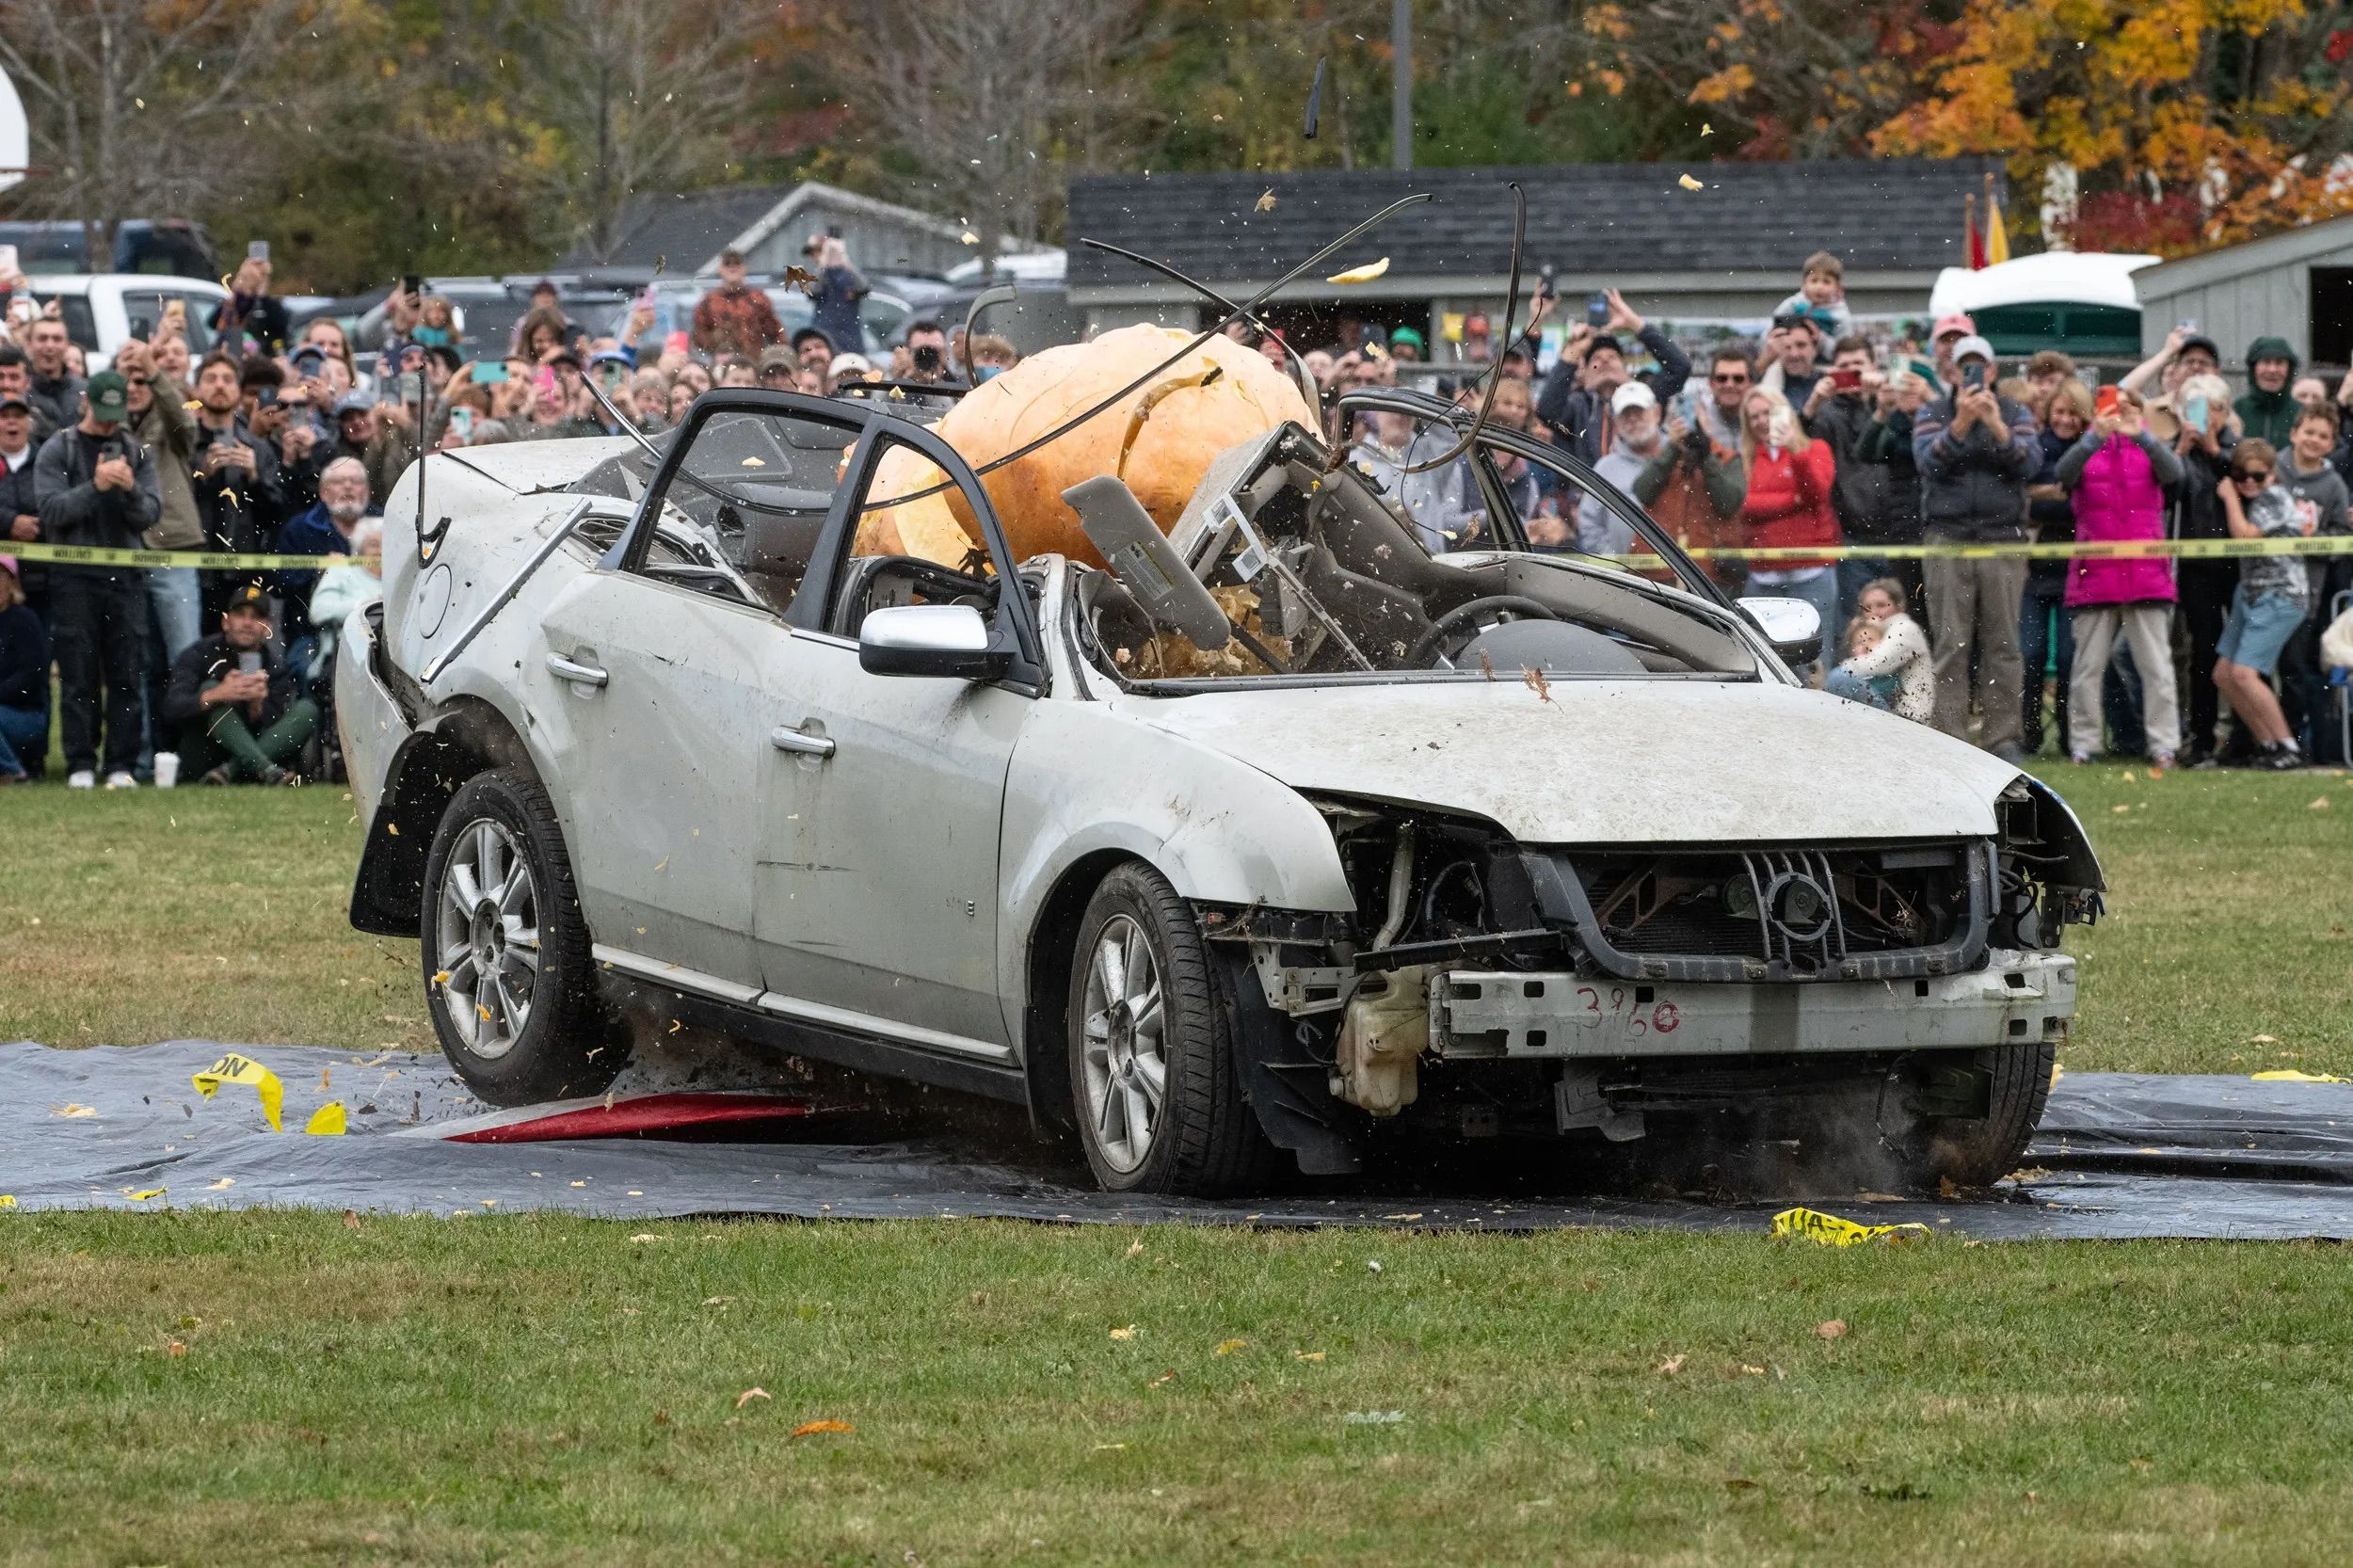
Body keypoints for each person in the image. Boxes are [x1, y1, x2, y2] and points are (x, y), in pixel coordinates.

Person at [1912, 334, 2039, 761]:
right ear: (1951, 371)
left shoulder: (2015, 411)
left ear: (1992, 370)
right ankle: (1950, 732)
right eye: (1963, 365)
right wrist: (1961, 424)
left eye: (1979, 366)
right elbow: (1927, 463)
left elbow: (2032, 464)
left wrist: (1997, 426)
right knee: (1952, 642)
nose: (1972, 374)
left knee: (2003, 643)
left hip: (2003, 538)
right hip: (1948, 537)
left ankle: (2004, 736)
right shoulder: (1933, 411)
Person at [34, 372, 161, 788]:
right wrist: (95, 486)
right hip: (74, 577)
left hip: (125, 577)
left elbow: (150, 514)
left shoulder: (135, 451)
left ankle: (120, 764)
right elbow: (51, 512)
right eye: (102, 414)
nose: (108, 425)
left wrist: (128, 491)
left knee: (126, 673)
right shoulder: (59, 448)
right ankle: (80, 763)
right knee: (78, 674)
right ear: (85, 401)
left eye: (115, 415)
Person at [2057, 388, 2184, 767]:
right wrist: (2095, 436)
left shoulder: (2149, 446)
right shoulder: (2087, 445)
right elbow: (2063, 474)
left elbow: (2174, 474)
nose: (2119, 411)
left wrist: (2140, 433)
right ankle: (2085, 743)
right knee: (2088, 667)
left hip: (2145, 572)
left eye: (2128, 406)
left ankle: (2163, 745)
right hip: (2095, 572)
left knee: (2156, 667)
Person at [2210, 439, 2315, 768]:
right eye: (2242, 474)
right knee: (2223, 674)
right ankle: (2269, 746)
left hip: (2281, 595)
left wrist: (2229, 496)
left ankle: (2288, 747)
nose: (2250, 481)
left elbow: (2244, 536)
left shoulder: (2274, 498)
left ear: (2272, 474)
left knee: (2243, 673)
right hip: (2251, 592)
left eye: (2258, 474)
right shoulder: (2255, 498)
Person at [160, 583, 317, 785]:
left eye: (256, 617)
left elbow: (277, 731)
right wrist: (217, 695)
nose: (247, 623)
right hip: (203, 754)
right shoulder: (199, 653)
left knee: (307, 709)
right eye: (240, 614)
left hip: (250, 756)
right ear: (226, 622)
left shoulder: (274, 666)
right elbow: (171, 708)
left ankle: (231, 771)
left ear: (268, 627)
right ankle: (265, 769)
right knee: (211, 690)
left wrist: (256, 708)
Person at [2165, 372, 2241, 763]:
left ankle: (2245, 739)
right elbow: (2164, 488)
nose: (2203, 416)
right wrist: (2181, 449)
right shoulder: (2175, 450)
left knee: (2243, 653)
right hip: (2195, 565)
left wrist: (2213, 450)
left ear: (2224, 412)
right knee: (2204, 651)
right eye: (2195, 407)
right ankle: (2202, 738)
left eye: (2212, 408)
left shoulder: (2236, 447)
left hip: (2238, 563)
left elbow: (2246, 479)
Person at [1736, 385, 1841, 659]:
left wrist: (1797, 452)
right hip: (1763, 574)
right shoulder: (1746, 458)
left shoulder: (1815, 449)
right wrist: (1792, 501)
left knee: (1815, 659)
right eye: (1754, 416)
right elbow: (1745, 505)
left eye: (1767, 413)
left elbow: (1816, 494)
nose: (1761, 421)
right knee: (1763, 659)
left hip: (1811, 572)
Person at [1639, 346, 1751, 593]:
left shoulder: (1727, 457)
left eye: (1738, 378)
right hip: (1660, 575)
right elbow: (1642, 491)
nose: (1729, 384)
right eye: (1722, 378)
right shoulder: (1667, 454)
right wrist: (1673, 448)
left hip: (1710, 577)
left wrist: (1706, 453)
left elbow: (1729, 502)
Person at [2277, 403, 2351, 762]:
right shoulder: (2274, 469)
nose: (2314, 440)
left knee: (2294, 668)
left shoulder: (2334, 484)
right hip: (2264, 584)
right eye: (2308, 432)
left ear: (2332, 443)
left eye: (2323, 436)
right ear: (2294, 433)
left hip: (2307, 590)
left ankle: (2293, 742)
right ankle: (2261, 741)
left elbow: (2339, 537)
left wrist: (2316, 537)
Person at [1535, 289, 1689, 463]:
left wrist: (1636, 324)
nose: (1605, 362)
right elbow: (1546, 411)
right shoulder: (1577, 406)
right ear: (1585, 375)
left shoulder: (1644, 397)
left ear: (1626, 371)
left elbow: (1680, 367)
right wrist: (1572, 352)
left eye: (1613, 357)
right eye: (1596, 359)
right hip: (1588, 488)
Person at [2020, 379, 2088, 755]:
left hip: (2078, 569)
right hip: (2035, 568)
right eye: (2059, 411)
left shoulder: (2090, 448)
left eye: (2072, 412)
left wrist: (2050, 497)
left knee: (2066, 658)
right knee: (2029, 654)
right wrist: (2059, 495)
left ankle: (2068, 735)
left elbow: (2080, 504)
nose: (2064, 419)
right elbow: (2026, 504)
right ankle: (2029, 734)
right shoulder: (2035, 448)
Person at [1802, 336, 1891, 617]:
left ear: (1873, 367)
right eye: (1845, 367)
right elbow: (1800, 447)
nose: (1853, 373)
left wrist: (1885, 395)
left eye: (1859, 365)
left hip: (1897, 532)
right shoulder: (1826, 414)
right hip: (1851, 533)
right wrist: (1814, 402)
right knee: (1857, 626)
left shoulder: (1891, 401)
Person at [1825, 577, 1933, 721]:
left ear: (1898, 606)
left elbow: (1878, 664)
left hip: (1908, 719)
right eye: (1867, 607)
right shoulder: (1871, 630)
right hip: (1892, 711)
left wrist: (1844, 668)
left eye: (1881, 605)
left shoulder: (1905, 627)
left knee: (1839, 679)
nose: (1874, 612)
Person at [1576, 382, 1664, 557]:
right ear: (1616, 421)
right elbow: (1589, 524)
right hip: (1626, 578)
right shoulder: (1605, 468)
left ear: (1657, 413)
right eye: (1626, 414)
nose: (1633, 419)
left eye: (1639, 412)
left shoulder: (1679, 456)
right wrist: (1615, 563)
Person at [0, 554, 48, 781]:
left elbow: (32, 674)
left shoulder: (25, 619)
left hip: (25, 715)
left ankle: (13, 771)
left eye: (1, 576)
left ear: (12, 582)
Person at [692, 249, 783, 360]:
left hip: (753, 364)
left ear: (744, 268)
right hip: (722, 366)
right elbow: (698, 339)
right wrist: (716, 340)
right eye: (727, 264)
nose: (732, 267)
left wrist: (779, 358)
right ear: (720, 269)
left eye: (737, 263)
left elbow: (776, 333)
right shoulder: (708, 302)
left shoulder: (758, 299)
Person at [208, 253, 289, 357]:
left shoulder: (267, 305)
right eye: (243, 278)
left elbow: (281, 326)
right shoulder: (234, 303)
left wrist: (262, 297)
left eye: (248, 279)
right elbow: (212, 322)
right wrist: (235, 294)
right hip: (233, 355)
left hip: (260, 359)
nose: (245, 283)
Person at [805, 235, 868, 358]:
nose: (814, 257)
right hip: (824, 341)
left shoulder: (847, 274)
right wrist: (823, 265)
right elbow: (812, 291)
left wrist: (844, 261)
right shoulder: (819, 275)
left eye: (819, 251)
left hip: (850, 343)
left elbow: (864, 287)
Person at [1771, 250, 1852, 343]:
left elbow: (1842, 349)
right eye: (1814, 280)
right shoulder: (1793, 304)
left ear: (1838, 287)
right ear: (1804, 283)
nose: (1819, 287)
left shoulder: (1840, 316)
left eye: (1826, 282)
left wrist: (1820, 339)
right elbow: (1773, 327)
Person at [2235, 336, 2301, 448]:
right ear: (2254, 369)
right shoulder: (2237, 410)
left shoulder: (2301, 413)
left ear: (2289, 370)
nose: (2272, 370)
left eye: (2279, 363)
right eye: (2266, 362)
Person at [23, 317, 83, 434]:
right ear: (29, 345)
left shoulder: (84, 391)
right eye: (42, 339)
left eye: (57, 339)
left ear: (67, 345)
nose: (50, 346)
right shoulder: (19, 391)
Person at [903, 320, 955, 387]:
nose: (927, 357)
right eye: (921, 353)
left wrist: (937, 385)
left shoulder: (957, 385)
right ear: (908, 354)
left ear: (945, 353)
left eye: (934, 352)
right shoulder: (900, 380)